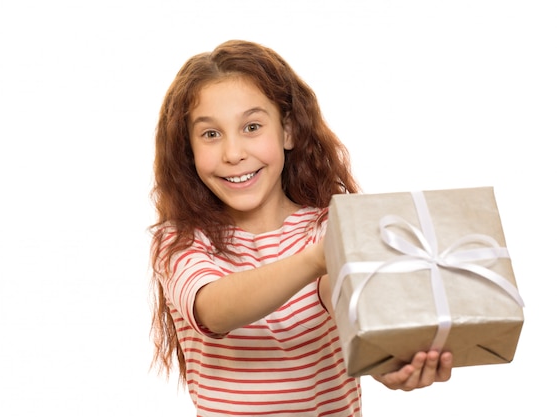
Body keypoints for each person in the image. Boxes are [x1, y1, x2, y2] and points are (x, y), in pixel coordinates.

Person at [149, 39, 453, 416]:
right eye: (211, 134)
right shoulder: (179, 241)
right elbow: (214, 309)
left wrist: (390, 361)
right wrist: (315, 260)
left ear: (288, 131)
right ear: (189, 150)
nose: (233, 153)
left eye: (252, 126)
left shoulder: (328, 227)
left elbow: (349, 306)